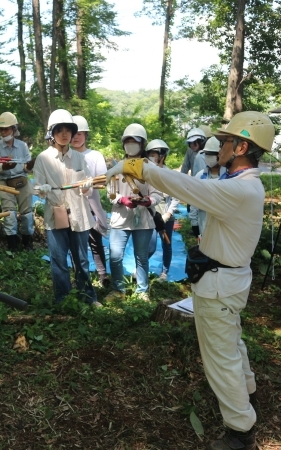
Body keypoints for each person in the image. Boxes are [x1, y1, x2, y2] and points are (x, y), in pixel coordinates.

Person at [106, 111, 276, 450]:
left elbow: (190, 187)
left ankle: (241, 432)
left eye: (226, 141)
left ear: (242, 146)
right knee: (233, 347)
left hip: (218, 285)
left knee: (221, 358)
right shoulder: (238, 185)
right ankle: (249, 400)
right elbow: (196, 187)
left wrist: (141, 167)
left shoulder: (241, 190)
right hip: (223, 281)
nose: (218, 147)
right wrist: (143, 177)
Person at [33, 109, 101, 307]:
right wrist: (42, 189)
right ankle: (63, 299)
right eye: (59, 130)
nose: (64, 134)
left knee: (81, 258)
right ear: (51, 133)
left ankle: (88, 297)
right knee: (59, 260)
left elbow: (87, 190)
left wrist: (87, 187)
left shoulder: (80, 159)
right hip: (55, 215)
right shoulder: (43, 159)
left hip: (79, 215)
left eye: (68, 130)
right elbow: (36, 187)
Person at [105, 124, 162, 302]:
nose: (131, 145)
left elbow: (157, 193)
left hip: (143, 219)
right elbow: (110, 192)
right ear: (123, 144)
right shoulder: (117, 167)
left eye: (134, 142)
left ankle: (142, 291)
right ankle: (118, 290)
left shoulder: (149, 167)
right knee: (115, 256)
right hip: (120, 218)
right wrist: (121, 200)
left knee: (142, 257)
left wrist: (148, 201)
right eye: (127, 141)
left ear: (142, 144)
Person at [71, 115, 110, 287]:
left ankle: (103, 275)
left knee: (95, 241)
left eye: (80, 133)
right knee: (75, 244)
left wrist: (90, 183)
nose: (76, 137)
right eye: (74, 133)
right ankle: (79, 277)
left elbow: (102, 179)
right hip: (72, 207)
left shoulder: (94, 155)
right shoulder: (66, 156)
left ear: (86, 135)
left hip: (92, 206)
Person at [0, 112, 34, 251]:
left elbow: (27, 167)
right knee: (9, 214)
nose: (3, 132)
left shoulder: (22, 146)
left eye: (6, 129)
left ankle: (28, 243)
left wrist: (30, 166)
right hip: (4, 182)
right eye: (1, 129)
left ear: (14, 129)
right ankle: (12, 247)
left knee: (27, 214)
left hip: (21, 179)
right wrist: (5, 166)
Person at [146, 139, 180, 282]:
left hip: (166, 216)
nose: (152, 158)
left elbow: (176, 196)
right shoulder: (146, 173)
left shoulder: (170, 175)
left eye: (155, 155)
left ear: (162, 156)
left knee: (167, 244)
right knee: (150, 246)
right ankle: (140, 268)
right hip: (151, 215)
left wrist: (168, 213)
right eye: (150, 155)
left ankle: (164, 273)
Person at [189, 137, 226, 239]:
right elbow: (193, 202)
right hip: (204, 227)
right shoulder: (200, 176)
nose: (209, 157)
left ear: (220, 155)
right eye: (207, 154)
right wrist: (194, 225)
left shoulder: (228, 177)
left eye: (212, 154)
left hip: (223, 230)